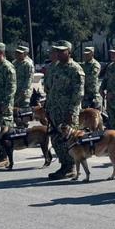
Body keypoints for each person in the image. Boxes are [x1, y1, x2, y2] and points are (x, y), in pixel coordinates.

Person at [45, 41, 84, 180]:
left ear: (69, 52)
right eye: (57, 51)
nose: (59, 53)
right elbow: (50, 90)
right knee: (55, 139)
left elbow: (78, 94)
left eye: (62, 51)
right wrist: (47, 108)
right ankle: (64, 165)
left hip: (67, 112)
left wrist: (71, 112)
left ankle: (71, 167)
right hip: (54, 111)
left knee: (68, 140)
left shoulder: (75, 69)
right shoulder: (55, 68)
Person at [13, 45, 35, 110]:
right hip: (15, 91)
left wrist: (24, 90)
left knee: (24, 112)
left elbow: (29, 78)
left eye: (20, 53)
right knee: (15, 111)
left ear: (25, 54)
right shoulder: (14, 63)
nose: (17, 54)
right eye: (17, 52)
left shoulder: (28, 64)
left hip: (24, 93)